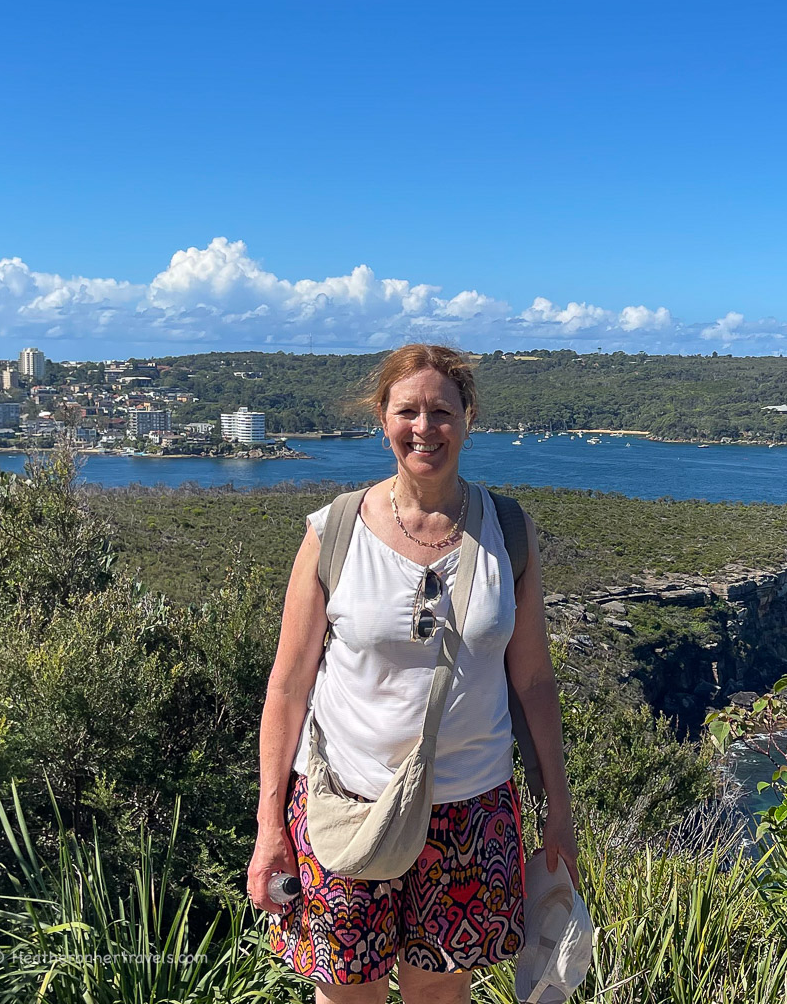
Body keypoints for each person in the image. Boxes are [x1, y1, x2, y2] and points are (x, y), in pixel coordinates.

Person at [247, 343, 578, 1004]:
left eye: (441, 411)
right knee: (348, 996)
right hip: (347, 802)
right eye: (408, 411)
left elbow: (534, 680)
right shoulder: (333, 531)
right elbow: (287, 687)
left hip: (469, 809)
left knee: (439, 996)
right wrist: (269, 825)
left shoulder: (507, 532)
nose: (425, 428)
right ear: (383, 419)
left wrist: (559, 809)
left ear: (468, 418)